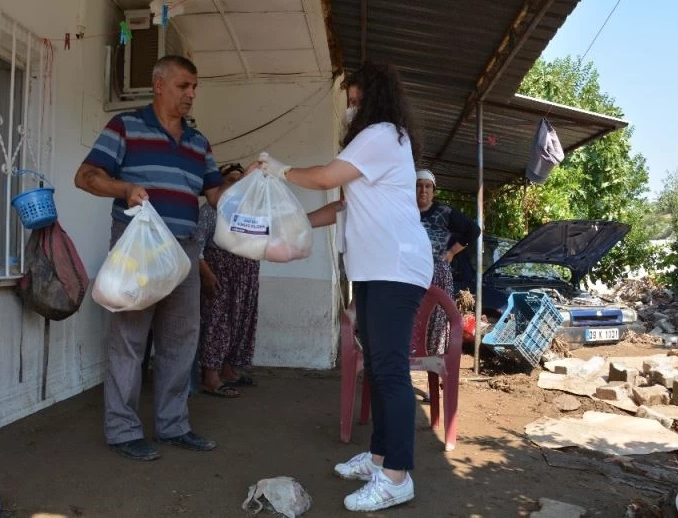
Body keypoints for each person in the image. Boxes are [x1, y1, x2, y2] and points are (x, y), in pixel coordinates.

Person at [258, 62, 433, 512]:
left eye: (356, 101)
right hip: (377, 269)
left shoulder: (382, 135)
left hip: (395, 267)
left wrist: (279, 170)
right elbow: (342, 207)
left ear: (374, 99)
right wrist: (294, 225)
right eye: (349, 102)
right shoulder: (377, 144)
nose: (351, 109)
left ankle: (397, 477)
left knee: (390, 370)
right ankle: (379, 459)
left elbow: (322, 178)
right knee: (378, 366)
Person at [74, 55, 222, 461]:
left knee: (180, 341)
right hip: (137, 248)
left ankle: (173, 425)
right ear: (159, 85)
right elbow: (85, 176)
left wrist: (252, 190)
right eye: (183, 85)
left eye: (195, 87)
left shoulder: (198, 142)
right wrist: (123, 189)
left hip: (184, 250)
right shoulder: (125, 126)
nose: (191, 94)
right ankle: (123, 431)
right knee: (129, 339)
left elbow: (215, 194)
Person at [194, 163, 260, 398]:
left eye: (241, 181)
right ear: (218, 184)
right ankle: (211, 378)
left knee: (241, 323)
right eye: (231, 180)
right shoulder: (209, 210)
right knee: (217, 322)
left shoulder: (250, 210)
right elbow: (196, 246)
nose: (237, 185)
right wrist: (206, 274)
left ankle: (229, 371)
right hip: (219, 274)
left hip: (246, 277)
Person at [415, 169, 481, 355]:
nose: (423, 190)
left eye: (428, 186)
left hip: (437, 273)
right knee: (413, 314)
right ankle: (412, 356)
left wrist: (452, 251)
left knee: (436, 315)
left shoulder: (444, 212)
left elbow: (473, 230)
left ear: (433, 191)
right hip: (412, 273)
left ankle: (435, 359)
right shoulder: (406, 212)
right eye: (419, 186)